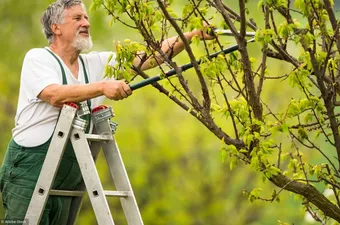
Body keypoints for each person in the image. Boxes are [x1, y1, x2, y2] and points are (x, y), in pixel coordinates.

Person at [0, 0, 215, 224]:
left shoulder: (94, 64)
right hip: (29, 171)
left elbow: (151, 56)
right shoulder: (39, 58)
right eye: (77, 18)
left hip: (66, 177)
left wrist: (192, 35)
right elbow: (54, 94)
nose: (86, 23)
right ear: (56, 28)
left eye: (86, 18)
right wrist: (103, 87)